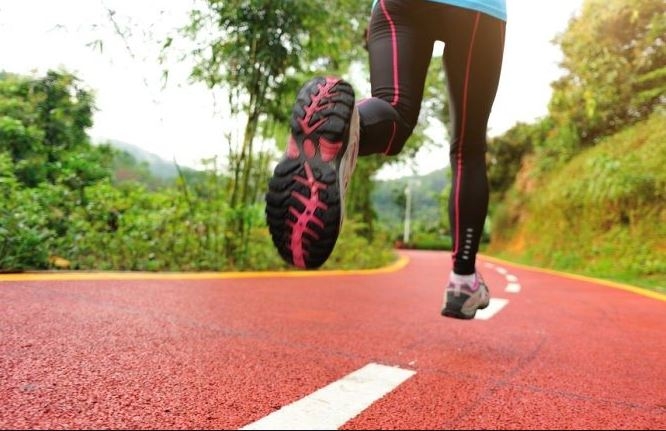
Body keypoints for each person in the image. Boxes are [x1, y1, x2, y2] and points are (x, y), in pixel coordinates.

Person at [265, 0, 506, 320]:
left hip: (397, 6)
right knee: (467, 148)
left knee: (394, 109)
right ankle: (464, 281)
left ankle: (346, 125)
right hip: (476, 10)